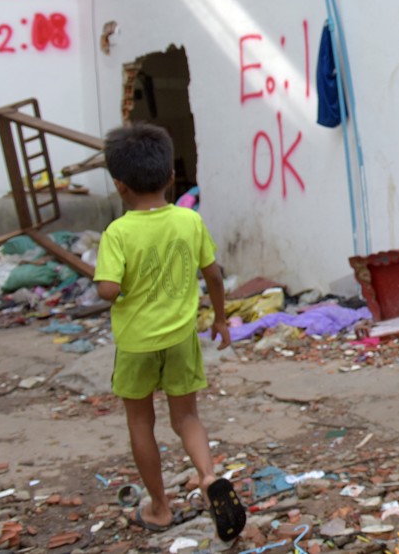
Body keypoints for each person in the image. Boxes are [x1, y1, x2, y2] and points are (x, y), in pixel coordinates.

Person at [93, 123, 246, 541]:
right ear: (171, 178)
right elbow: (213, 275)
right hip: (181, 340)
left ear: (119, 186)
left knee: (141, 423)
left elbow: (107, 289)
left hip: (136, 344)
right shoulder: (188, 220)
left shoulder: (117, 233)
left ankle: (160, 508)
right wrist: (219, 319)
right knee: (186, 417)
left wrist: (115, 282)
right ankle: (209, 475)